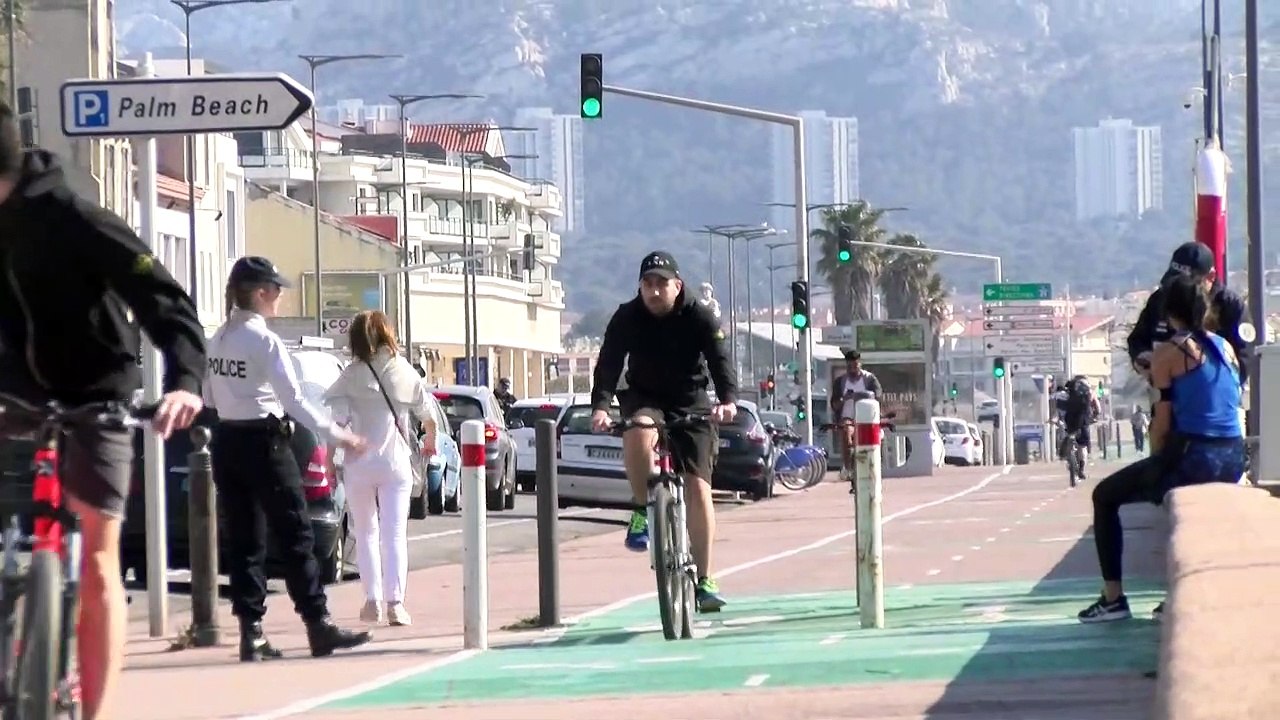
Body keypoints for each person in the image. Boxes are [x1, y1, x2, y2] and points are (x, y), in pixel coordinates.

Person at [0, 101, 207, 720]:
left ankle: (95, 711)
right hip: (13, 394)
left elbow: (164, 300)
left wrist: (185, 381)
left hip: (97, 392)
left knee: (95, 553)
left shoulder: (75, 219)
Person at [204, 256, 373, 660]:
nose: (279, 296)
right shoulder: (264, 342)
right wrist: (339, 434)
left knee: (245, 539)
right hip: (265, 442)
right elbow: (294, 400)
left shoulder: (218, 339)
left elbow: (210, 397)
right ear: (260, 293)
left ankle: (252, 631)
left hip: (227, 440)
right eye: (275, 289)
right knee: (296, 534)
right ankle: (318, 624)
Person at [1079, 275, 1245, 624]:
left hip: (1195, 455)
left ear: (1169, 313)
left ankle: (1113, 599)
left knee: (1105, 496)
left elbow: (1163, 422)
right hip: (1233, 456)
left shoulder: (1170, 351)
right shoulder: (1224, 346)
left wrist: (1156, 464)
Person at [589, 251, 738, 612]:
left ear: (678, 286)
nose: (654, 292)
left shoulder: (699, 315)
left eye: (661, 284)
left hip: (691, 400)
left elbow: (720, 359)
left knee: (699, 488)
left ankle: (704, 578)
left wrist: (729, 400)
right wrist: (601, 407)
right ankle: (642, 510)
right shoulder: (627, 317)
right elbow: (608, 362)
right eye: (647, 284)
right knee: (638, 431)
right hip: (645, 397)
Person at [324, 310, 437, 627]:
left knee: (366, 533)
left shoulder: (351, 375)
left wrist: (329, 462)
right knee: (394, 535)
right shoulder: (404, 372)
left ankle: (371, 601)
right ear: (388, 335)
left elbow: (336, 424)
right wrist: (430, 440)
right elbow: (427, 415)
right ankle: (396, 604)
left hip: (359, 464)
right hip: (395, 464)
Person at [1127, 241, 1248, 386]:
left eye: (1188, 284)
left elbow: (1244, 360)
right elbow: (1137, 339)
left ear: (1210, 277)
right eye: (1175, 282)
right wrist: (1142, 358)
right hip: (1164, 392)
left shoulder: (1231, 307)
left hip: (1212, 395)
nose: (1179, 290)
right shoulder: (1160, 299)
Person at [829, 350, 882, 471]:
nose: (852, 370)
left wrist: (863, 396)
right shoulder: (840, 382)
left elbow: (878, 397)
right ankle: (848, 468)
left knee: (874, 440)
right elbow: (834, 405)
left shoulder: (869, 379)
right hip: (848, 418)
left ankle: (874, 465)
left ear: (860, 365)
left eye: (855, 366)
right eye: (849, 367)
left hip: (867, 418)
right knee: (847, 433)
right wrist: (844, 398)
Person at [1056, 375, 1098, 478]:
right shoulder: (1089, 392)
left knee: (1070, 434)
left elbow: (1060, 403)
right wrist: (1094, 417)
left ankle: (1067, 456)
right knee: (1082, 446)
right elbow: (1097, 408)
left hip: (1070, 418)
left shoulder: (1069, 389)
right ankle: (1082, 469)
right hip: (1083, 419)